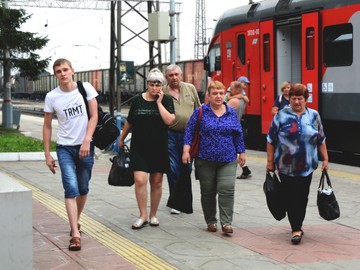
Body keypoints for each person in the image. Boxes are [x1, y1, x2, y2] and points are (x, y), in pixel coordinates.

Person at [43, 58, 99, 251]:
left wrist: (87, 140)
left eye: (65, 69)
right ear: (55, 75)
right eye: (58, 71)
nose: (62, 73)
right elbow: (47, 126)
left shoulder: (86, 88)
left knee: (83, 188)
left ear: (72, 71)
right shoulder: (52, 97)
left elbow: (94, 116)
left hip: (85, 146)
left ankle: (76, 220)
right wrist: (47, 154)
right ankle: (75, 233)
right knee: (71, 188)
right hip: (65, 147)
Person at [266, 83, 329, 245]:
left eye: (300, 99)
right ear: (289, 99)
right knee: (291, 196)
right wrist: (269, 162)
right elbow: (270, 140)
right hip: (286, 166)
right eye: (293, 98)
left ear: (306, 99)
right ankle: (296, 228)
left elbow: (320, 139)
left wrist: (326, 159)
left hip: (307, 166)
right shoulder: (281, 115)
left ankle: (297, 224)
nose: (296, 102)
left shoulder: (314, 115)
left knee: (302, 197)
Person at [182, 81, 246, 234]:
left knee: (227, 189)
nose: (218, 96)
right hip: (205, 159)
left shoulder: (231, 112)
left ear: (224, 94)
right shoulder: (200, 111)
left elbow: (238, 133)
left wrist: (241, 152)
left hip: (228, 159)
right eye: (214, 93)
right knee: (208, 191)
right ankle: (211, 220)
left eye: (221, 93)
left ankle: (226, 223)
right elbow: (189, 132)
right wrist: (186, 151)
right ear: (208, 96)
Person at [118, 68, 175, 229]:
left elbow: (169, 120)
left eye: (158, 85)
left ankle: (153, 215)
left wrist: (158, 103)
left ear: (162, 86)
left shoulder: (167, 100)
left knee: (156, 182)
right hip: (140, 147)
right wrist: (121, 139)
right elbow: (130, 122)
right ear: (147, 84)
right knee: (140, 180)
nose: (154, 88)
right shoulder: (137, 100)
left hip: (159, 147)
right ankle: (142, 214)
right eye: (151, 84)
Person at [163, 64, 201, 214]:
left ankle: (184, 198)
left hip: (189, 135)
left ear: (181, 75)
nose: (174, 78)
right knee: (173, 168)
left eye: (176, 74)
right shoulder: (163, 92)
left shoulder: (190, 88)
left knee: (187, 167)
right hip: (170, 134)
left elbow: (198, 109)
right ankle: (176, 201)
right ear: (167, 77)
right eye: (171, 75)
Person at [225, 76, 252, 179]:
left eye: (231, 89)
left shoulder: (233, 101)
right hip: (237, 124)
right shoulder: (243, 100)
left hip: (230, 126)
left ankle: (244, 169)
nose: (229, 91)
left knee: (233, 149)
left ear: (236, 90)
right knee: (236, 149)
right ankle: (245, 169)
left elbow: (223, 112)